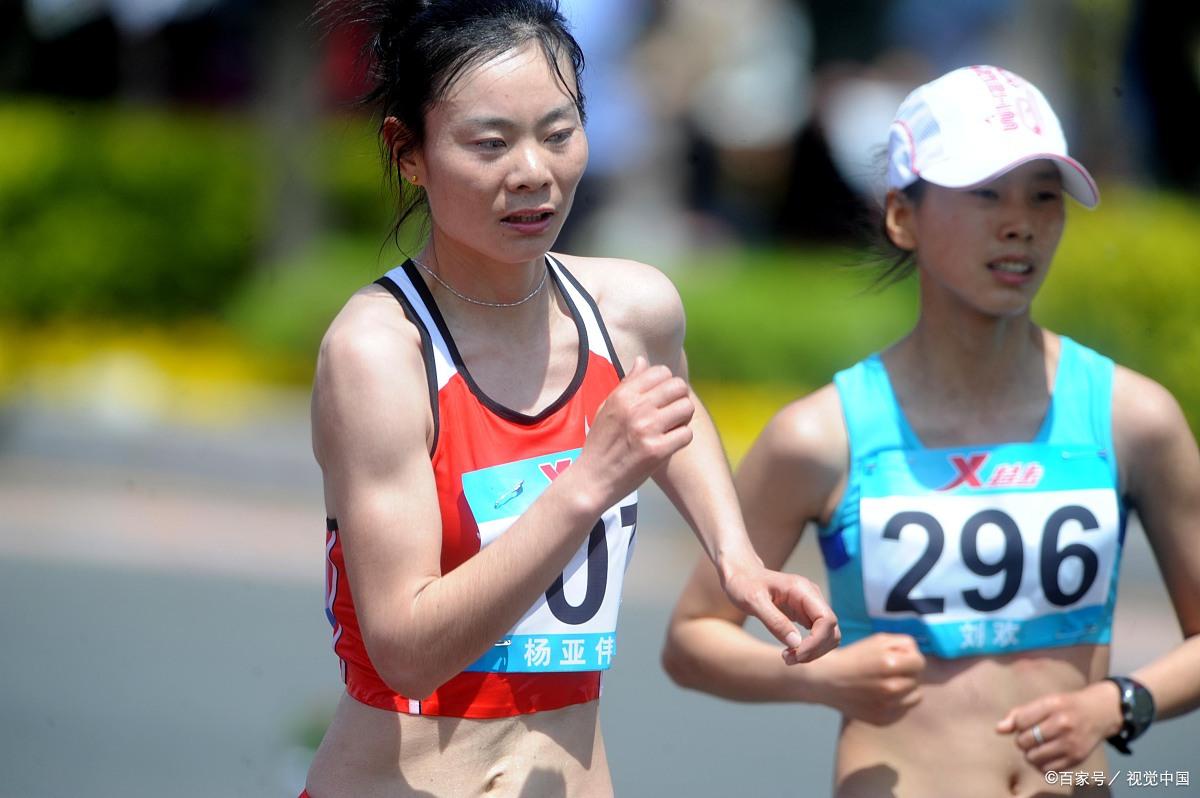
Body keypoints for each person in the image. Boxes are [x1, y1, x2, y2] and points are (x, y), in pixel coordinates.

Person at [302, 2, 838, 796]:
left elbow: (671, 416)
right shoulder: (379, 353)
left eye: (558, 133)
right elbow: (408, 649)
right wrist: (586, 483)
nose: (533, 173)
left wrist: (737, 560)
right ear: (406, 151)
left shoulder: (631, 310)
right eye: (490, 143)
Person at [663, 65, 1200, 797]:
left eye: (1045, 196)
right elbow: (693, 637)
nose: (1021, 223)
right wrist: (823, 677)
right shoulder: (821, 437)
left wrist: (1119, 702)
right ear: (902, 217)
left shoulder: (1134, 418)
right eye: (986, 194)